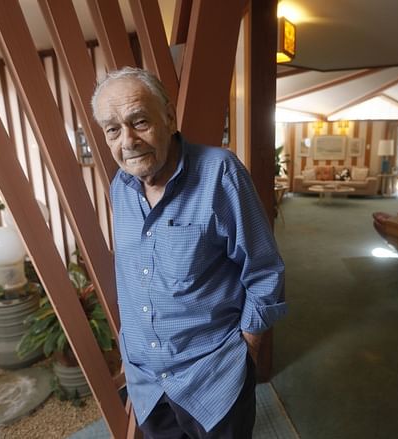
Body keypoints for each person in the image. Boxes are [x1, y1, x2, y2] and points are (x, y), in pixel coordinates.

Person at [92, 66, 286, 438]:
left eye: (139, 121)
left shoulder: (220, 173)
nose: (128, 141)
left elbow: (264, 271)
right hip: (147, 380)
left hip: (213, 376)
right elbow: (134, 274)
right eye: (112, 129)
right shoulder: (121, 185)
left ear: (168, 116)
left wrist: (247, 352)